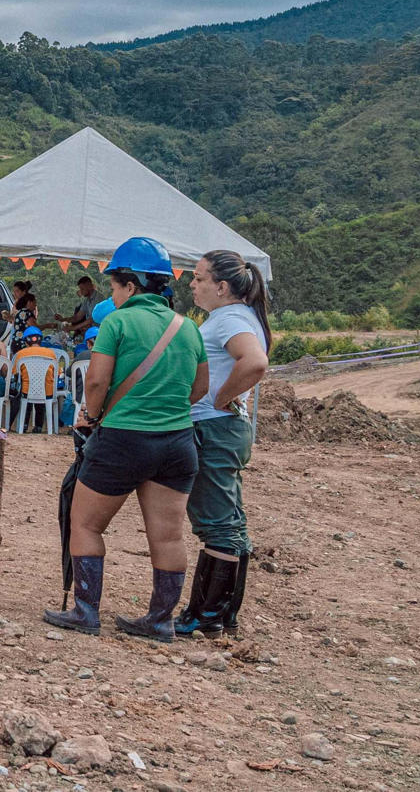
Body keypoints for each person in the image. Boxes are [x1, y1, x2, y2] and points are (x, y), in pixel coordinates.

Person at [44, 236, 208, 642]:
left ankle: (86, 613)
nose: (112, 293)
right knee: (168, 535)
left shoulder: (117, 322)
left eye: (115, 285)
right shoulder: (187, 327)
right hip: (177, 442)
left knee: (85, 524)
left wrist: (93, 416)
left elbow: (97, 380)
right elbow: (199, 388)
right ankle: (159, 620)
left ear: (131, 285)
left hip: (122, 440)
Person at [175, 251, 271, 636]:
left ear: (222, 286)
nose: (193, 285)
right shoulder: (236, 316)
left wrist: (219, 398)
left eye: (199, 279)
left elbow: (255, 362)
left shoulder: (230, 318)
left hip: (215, 427)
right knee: (230, 521)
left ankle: (207, 615)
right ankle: (220, 613)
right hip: (224, 427)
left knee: (217, 524)